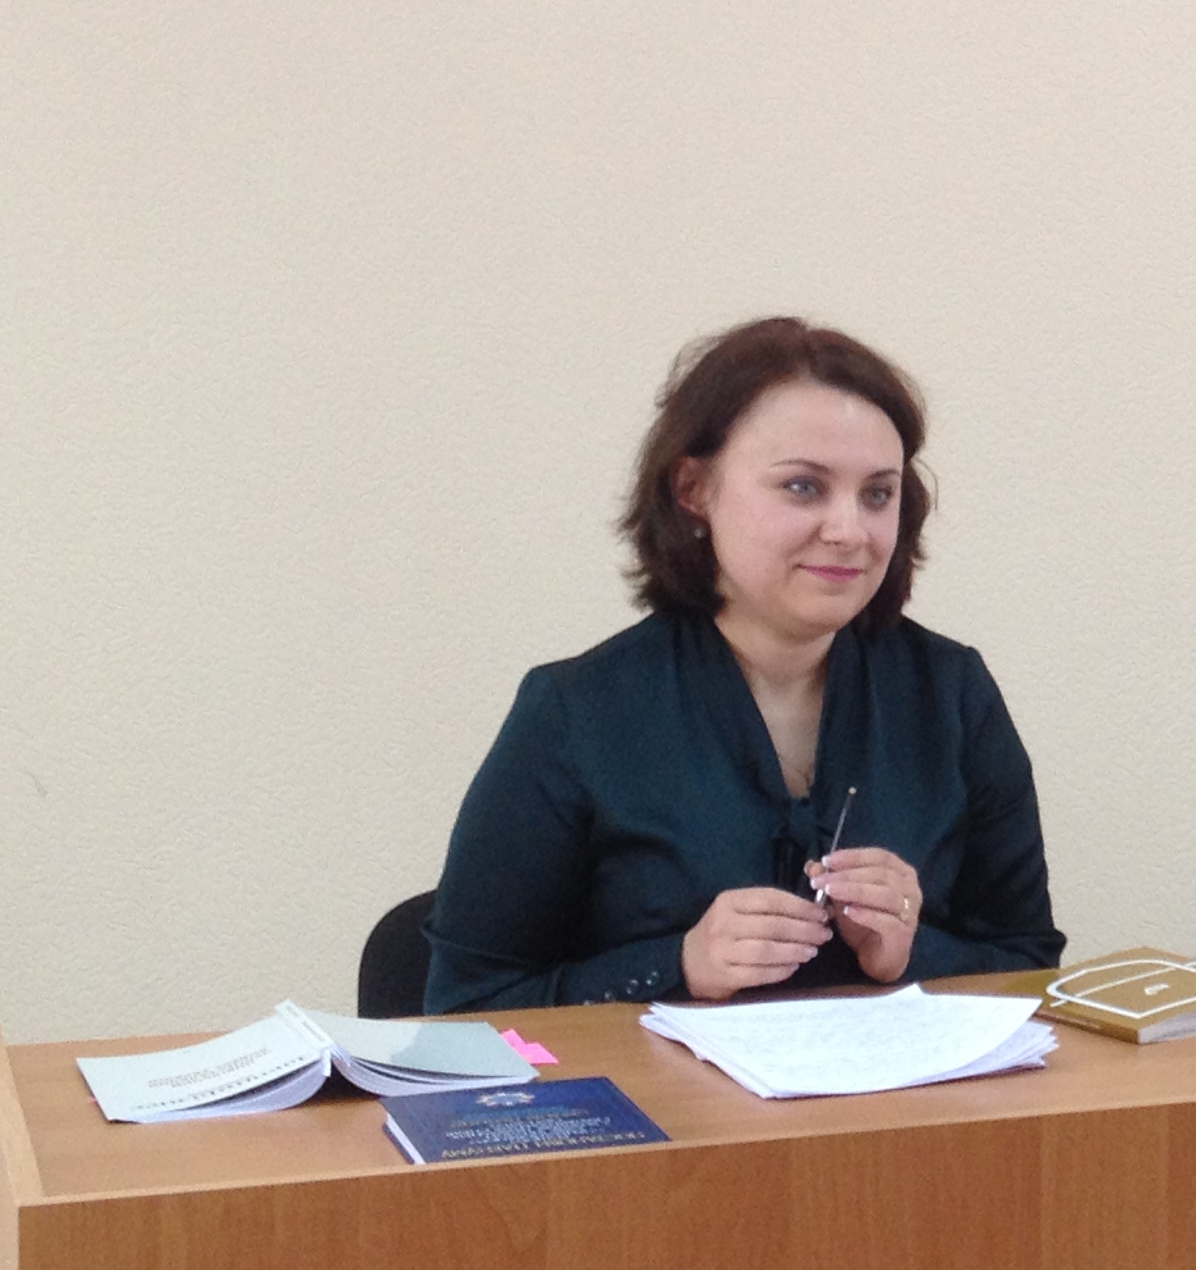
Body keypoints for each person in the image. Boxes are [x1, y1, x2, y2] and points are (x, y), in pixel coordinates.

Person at [424, 318, 1064, 1012]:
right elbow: (464, 1006)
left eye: (878, 494)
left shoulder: (952, 695)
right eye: (803, 487)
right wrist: (679, 966)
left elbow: (1031, 968)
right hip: (661, 1088)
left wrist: (911, 954)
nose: (850, 530)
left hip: (902, 1086)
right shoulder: (575, 713)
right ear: (693, 489)